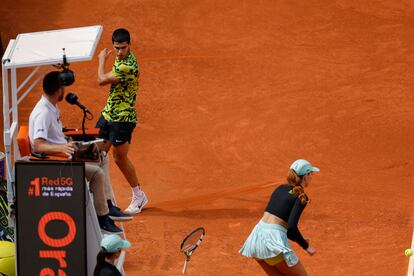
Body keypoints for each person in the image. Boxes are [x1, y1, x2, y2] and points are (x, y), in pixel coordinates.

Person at [29, 71, 130, 234]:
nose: (65, 90)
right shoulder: (44, 113)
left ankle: (108, 204)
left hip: (66, 151)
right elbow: (38, 145)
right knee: (97, 173)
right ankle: (102, 218)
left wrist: (68, 142)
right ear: (58, 90)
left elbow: (54, 136)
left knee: (100, 152)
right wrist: (61, 148)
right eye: (63, 86)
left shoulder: (51, 106)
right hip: (58, 163)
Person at [96, 28, 148, 215]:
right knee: (97, 153)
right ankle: (100, 199)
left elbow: (101, 80)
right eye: (116, 48)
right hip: (109, 113)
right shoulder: (120, 59)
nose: (119, 52)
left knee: (118, 158)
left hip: (123, 118)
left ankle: (139, 195)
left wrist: (101, 59)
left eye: (123, 48)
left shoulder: (129, 66)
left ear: (129, 45)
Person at [239, 159, 319, 276]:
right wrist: (306, 247)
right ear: (305, 176)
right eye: (311, 173)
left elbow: (278, 223)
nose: (312, 176)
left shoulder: (279, 188)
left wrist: (299, 238)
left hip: (255, 240)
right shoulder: (301, 197)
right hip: (272, 244)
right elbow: (291, 229)